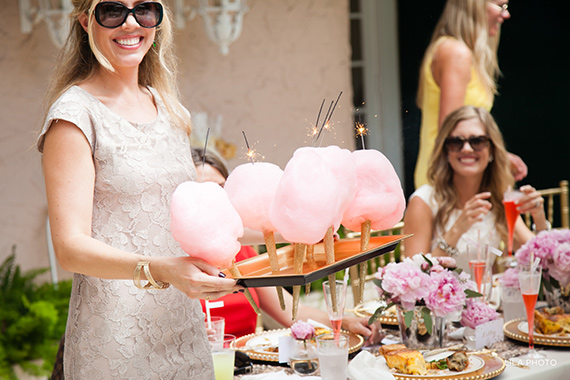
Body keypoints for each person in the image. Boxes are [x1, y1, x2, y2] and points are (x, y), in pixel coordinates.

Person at [37, 1, 241, 378]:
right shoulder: (74, 116)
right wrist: (161, 270)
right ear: (85, 21)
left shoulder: (168, 106)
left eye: (144, 10)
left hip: (182, 327)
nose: (131, 22)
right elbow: (69, 248)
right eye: (113, 11)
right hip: (116, 336)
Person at [192, 148, 382, 343]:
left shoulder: (241, 254)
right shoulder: (174, 264)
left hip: (247, 361)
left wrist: (346, 323)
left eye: (221, 188)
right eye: (203, 191)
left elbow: (290, 311)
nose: (214, 199)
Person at [404, 106, 548, 271]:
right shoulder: (424, 201)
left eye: (477, 141)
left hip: (488, 296)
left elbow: (538, 259)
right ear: (446, 150)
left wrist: (539, 218)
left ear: (492, 149)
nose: (467, 149)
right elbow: (413, 277)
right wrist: (457, 230)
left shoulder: (499, 198)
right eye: (456, 142)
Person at [414, 0, 527, 189]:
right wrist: (498, 155)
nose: (505, 15)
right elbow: (451, 130)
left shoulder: (458, 51)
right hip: (447, 181)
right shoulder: (455, 52)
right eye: (500, 6)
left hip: (459, 177)